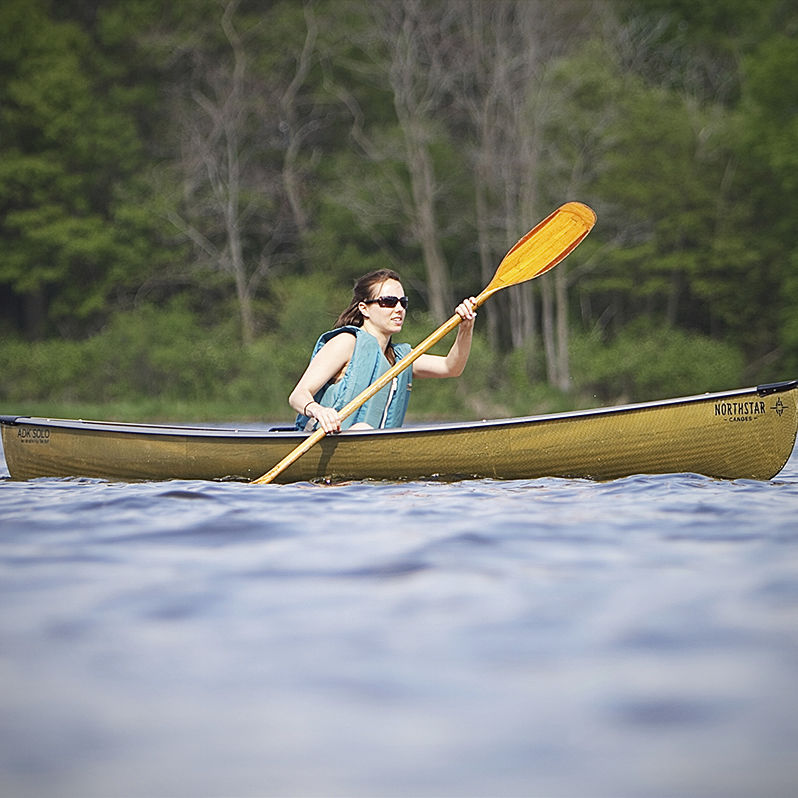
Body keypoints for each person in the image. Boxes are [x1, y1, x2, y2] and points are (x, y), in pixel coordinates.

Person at [289, 269, 477, 434]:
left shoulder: (400, 358)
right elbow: (298, 395)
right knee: (362, 429)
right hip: (324, 439)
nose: (399, 309)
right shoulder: (346, 342)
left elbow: (451, 367)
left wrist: (466, 327)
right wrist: (319, 411)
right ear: (364, 308)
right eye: (388, 302)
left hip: (369, 444)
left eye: (403, 302)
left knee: (365, 432)